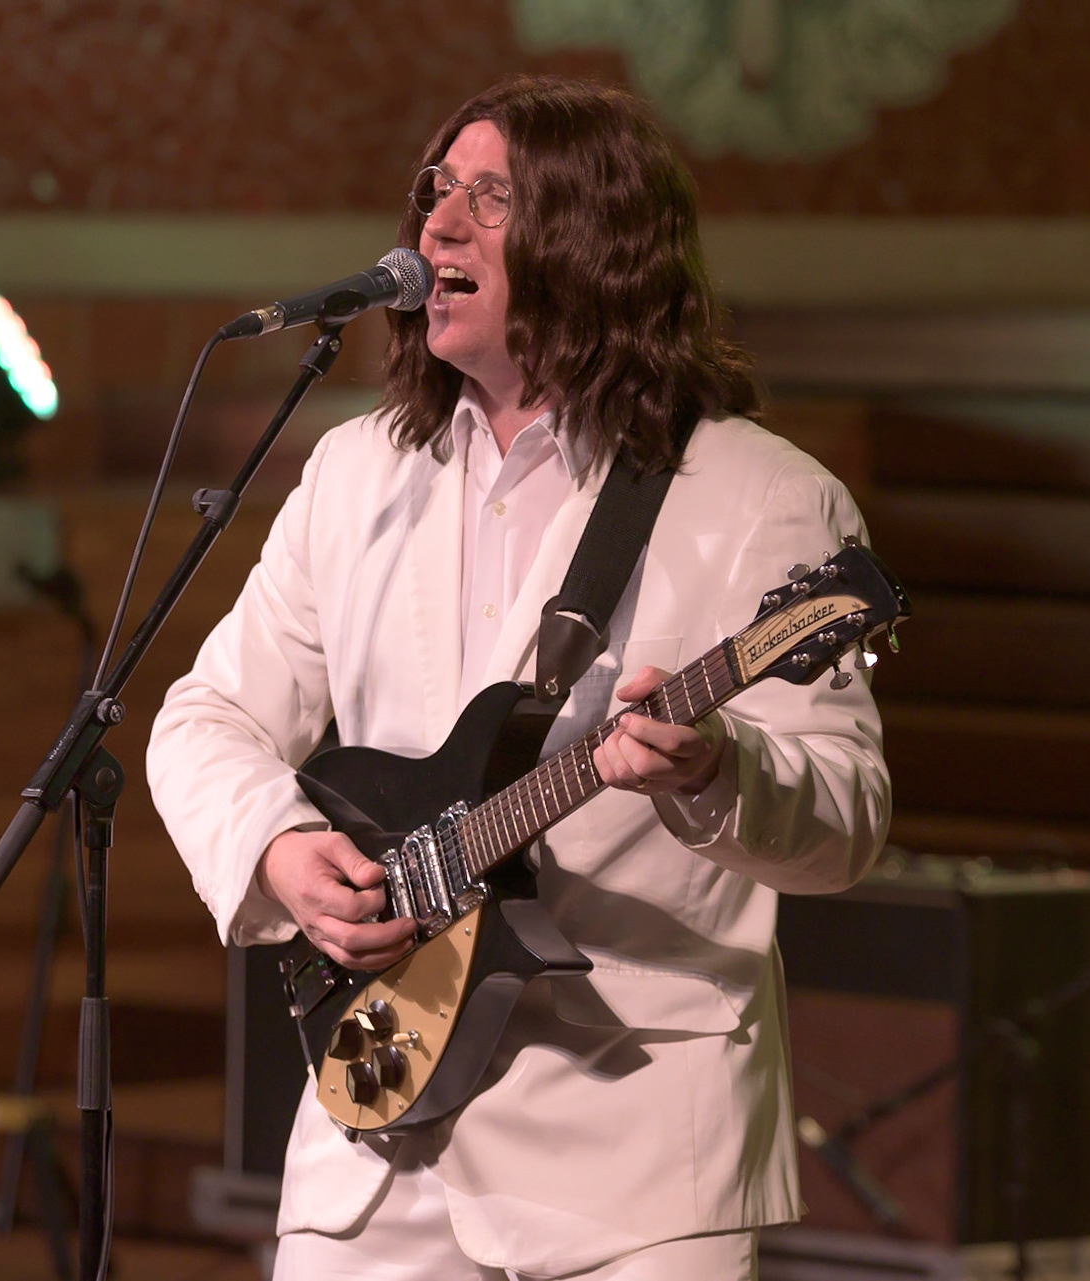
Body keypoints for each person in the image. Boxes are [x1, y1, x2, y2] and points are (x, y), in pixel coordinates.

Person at [146, 75, 891, 1280]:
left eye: (488, 200)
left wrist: (717, 773)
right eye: (436, 192)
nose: (435, 226)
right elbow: (205, 718)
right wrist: (280, 848)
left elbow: (848, 818)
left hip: (635, 1147)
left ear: (594, 241)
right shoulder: (355, 472)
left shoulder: (763, 496)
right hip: (377, 1112)